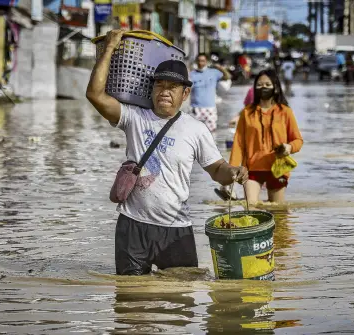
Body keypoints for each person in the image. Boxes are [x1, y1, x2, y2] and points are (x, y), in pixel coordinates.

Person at [86, 29, 248, 276]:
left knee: (181, 304)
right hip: (132, 225)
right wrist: (109, 48)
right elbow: (95, 95)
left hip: (176, 229)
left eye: (173, 87)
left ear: (185, 94)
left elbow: (217, 169)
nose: (164, 91)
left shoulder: (196, 129)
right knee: (130, 304)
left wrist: (233, 172)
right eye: (159, 84)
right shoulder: (134, 117)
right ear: (150, 89)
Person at [225, 69, 303, 204]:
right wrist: (231, 171)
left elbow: (298, 140)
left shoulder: (285, 112)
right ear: (254, 88)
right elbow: (238, 143)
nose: (263, 87)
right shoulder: (247, 113)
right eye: (260, 84)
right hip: (252, 168)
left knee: (278, 213)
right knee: (251, 206)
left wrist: (289, 147)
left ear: (276, 88)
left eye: (267, 84)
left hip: (278, 169)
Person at [190, 53, 231, 132]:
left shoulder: (214, 72)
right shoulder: (191, 74)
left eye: (203, 61)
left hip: (210, 108)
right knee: (194, 133)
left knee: (211, 134)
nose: (200, 63)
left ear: (206, 62)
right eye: (198, 61)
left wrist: (220, 67)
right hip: (195, 108)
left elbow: (228, 76)